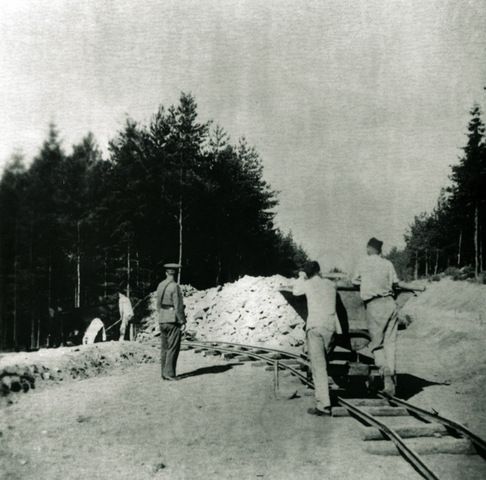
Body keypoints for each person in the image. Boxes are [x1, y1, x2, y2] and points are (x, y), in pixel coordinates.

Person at [292, 260, 341, 416]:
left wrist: (301, 277)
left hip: (315, 328)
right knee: (324, 362)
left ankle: (323, 405)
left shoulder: (308, 284)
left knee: (319, 367)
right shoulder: (331, 284)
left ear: (307, 273)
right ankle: (324, 396)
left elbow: (295, 292)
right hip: (331, 328)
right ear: (319, 270)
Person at [352, 237, 399, 395]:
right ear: (380, 250)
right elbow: (395, 283)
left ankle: (384, 371)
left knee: (376, 343)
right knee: (390, 343)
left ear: (369, 248)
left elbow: (354, 280)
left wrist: (367, 283)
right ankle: (390, 378)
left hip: (375, 305)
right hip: (391, 304)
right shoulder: (388, 264)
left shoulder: (363, 262)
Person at [155, 263, 187, 380]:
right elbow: (178, 305)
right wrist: (182, 321)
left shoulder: (160, 285)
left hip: (162, 318)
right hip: (172, 320)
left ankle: (164, 373)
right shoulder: (175, 286)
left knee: (164, 347)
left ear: (166, 273)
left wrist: (163, 313)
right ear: (175, 273)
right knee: (173, 347)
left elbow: (158, 304)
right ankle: (169, 373)